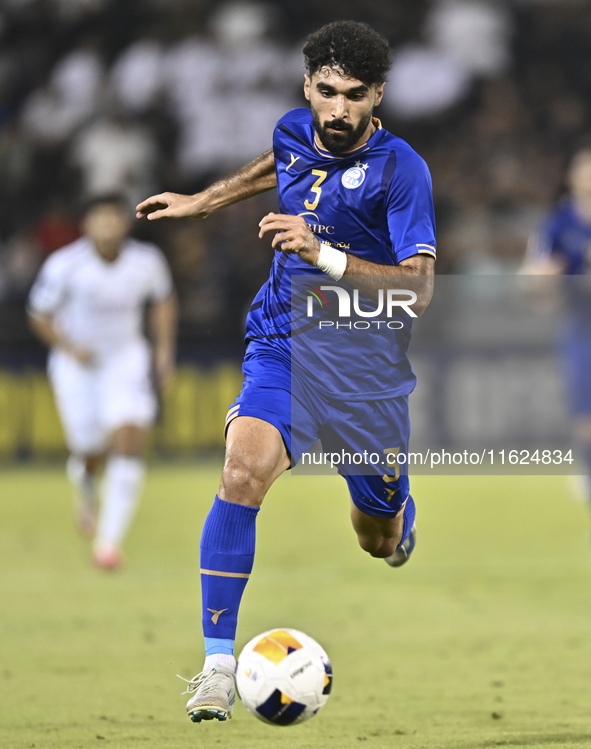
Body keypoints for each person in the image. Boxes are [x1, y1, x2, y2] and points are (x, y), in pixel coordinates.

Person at [137, 20, 436, 724]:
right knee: (241, 468)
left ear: (377, 96)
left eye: (353, 96)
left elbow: (418, 289)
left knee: (378, 537)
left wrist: (322, 252)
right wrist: (202, 201)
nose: (336, 110)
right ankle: (216, 665)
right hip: (285, 342)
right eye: (325, 92)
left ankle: (399, 521)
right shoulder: (294, 130)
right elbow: (275, 162)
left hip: (365, 371)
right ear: (307, 87)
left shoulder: (402, 171)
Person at [28, 194, 177, 570]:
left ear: (126, 224)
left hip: (125, 361)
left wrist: (163, 354)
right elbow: (38, 314)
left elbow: (163, 301)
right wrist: (68, 346)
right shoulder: (65, 265)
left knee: (129, 439)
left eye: (114, 219)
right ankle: (87, 485)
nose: (108, 226)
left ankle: (108, 544)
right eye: (101, 219)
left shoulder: (146, 261)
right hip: (77, 367)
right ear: (87, 225)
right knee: (89, 449)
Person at [522, 143, 591, 505]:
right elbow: (532, 282)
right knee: (586, 412)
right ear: (572, 177)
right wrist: (543, 278)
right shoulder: (557, 225)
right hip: (582, 326)